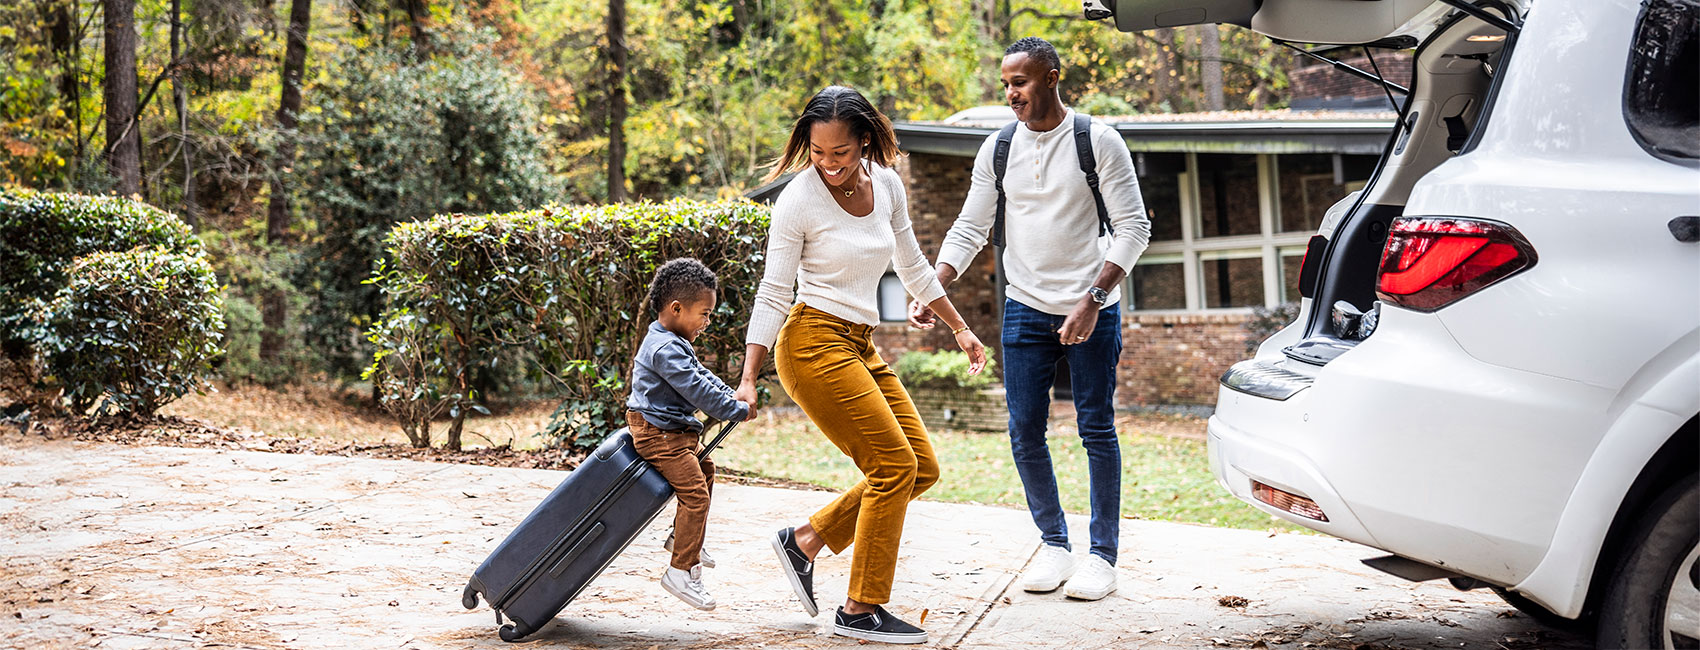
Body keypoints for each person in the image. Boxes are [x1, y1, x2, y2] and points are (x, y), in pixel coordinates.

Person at [732, 85, 987, 645]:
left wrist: (960, 327)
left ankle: (805, 540)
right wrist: (749, 378)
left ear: (865, 141)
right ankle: (860, 610)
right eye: (818, 153)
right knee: (893, 468)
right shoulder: (798, 199)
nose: (828, 164)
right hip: (809, 343)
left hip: (858, 343)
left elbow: (913, 264)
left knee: (921, 466)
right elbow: (774, 293)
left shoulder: (888, 185)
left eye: (840, 153)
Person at [911, 36, 1151, 602]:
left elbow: (1135, 228)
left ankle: (1102, 556)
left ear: (1051, 75)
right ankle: (1054, 544)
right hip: (1023, 307)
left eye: (1020, 82)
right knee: (1024, 432)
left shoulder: (1098, 141)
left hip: (1092, 305)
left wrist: (1092, 298)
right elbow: (970, 229)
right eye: (1006, 85)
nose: (1011, 94)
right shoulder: (997, 149)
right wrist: (932, 285)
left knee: (1096, 428)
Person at [626, 257, 756, 611]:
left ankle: (684, 540)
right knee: (695, 495)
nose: (708, 322)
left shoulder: (670, 340)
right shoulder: (665, 348)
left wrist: (731, 394)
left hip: (671, 433)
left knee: (706, 470)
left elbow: (701, 376)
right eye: (705, 313)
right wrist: (735, 409)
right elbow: (695, 389)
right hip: (658, 436)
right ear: (677, 308)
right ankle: (681, 570)